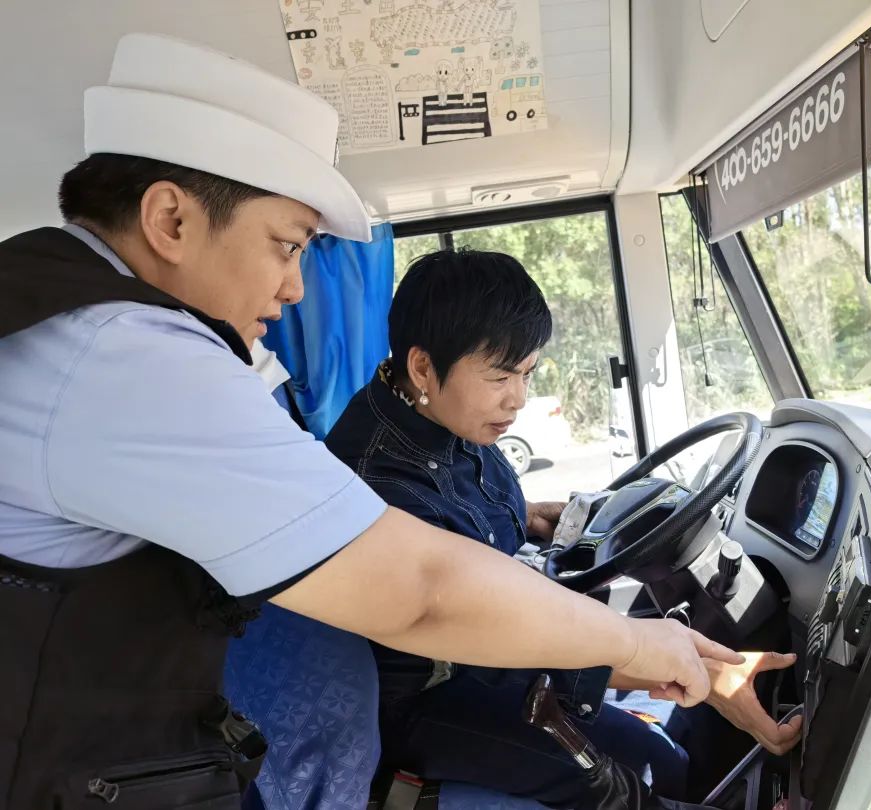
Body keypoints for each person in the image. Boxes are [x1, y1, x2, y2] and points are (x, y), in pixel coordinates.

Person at [0, 33, 749, 809]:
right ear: (171, 219)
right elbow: (419, 588)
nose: (294, 288)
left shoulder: (72, 315)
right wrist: (633, 642)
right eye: (285, 246)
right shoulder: (123, 356)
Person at [323, 249, 803, 807]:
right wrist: (669, 666)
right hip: (431, 693)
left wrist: (527, 514)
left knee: (664, 763)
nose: (519, 399)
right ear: (423, 366)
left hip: (495, 647)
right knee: (632, 787)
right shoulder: (380, 481)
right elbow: (471, 628)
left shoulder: (442, 415)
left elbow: (466, 521)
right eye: (501, 376)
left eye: (527, 373)